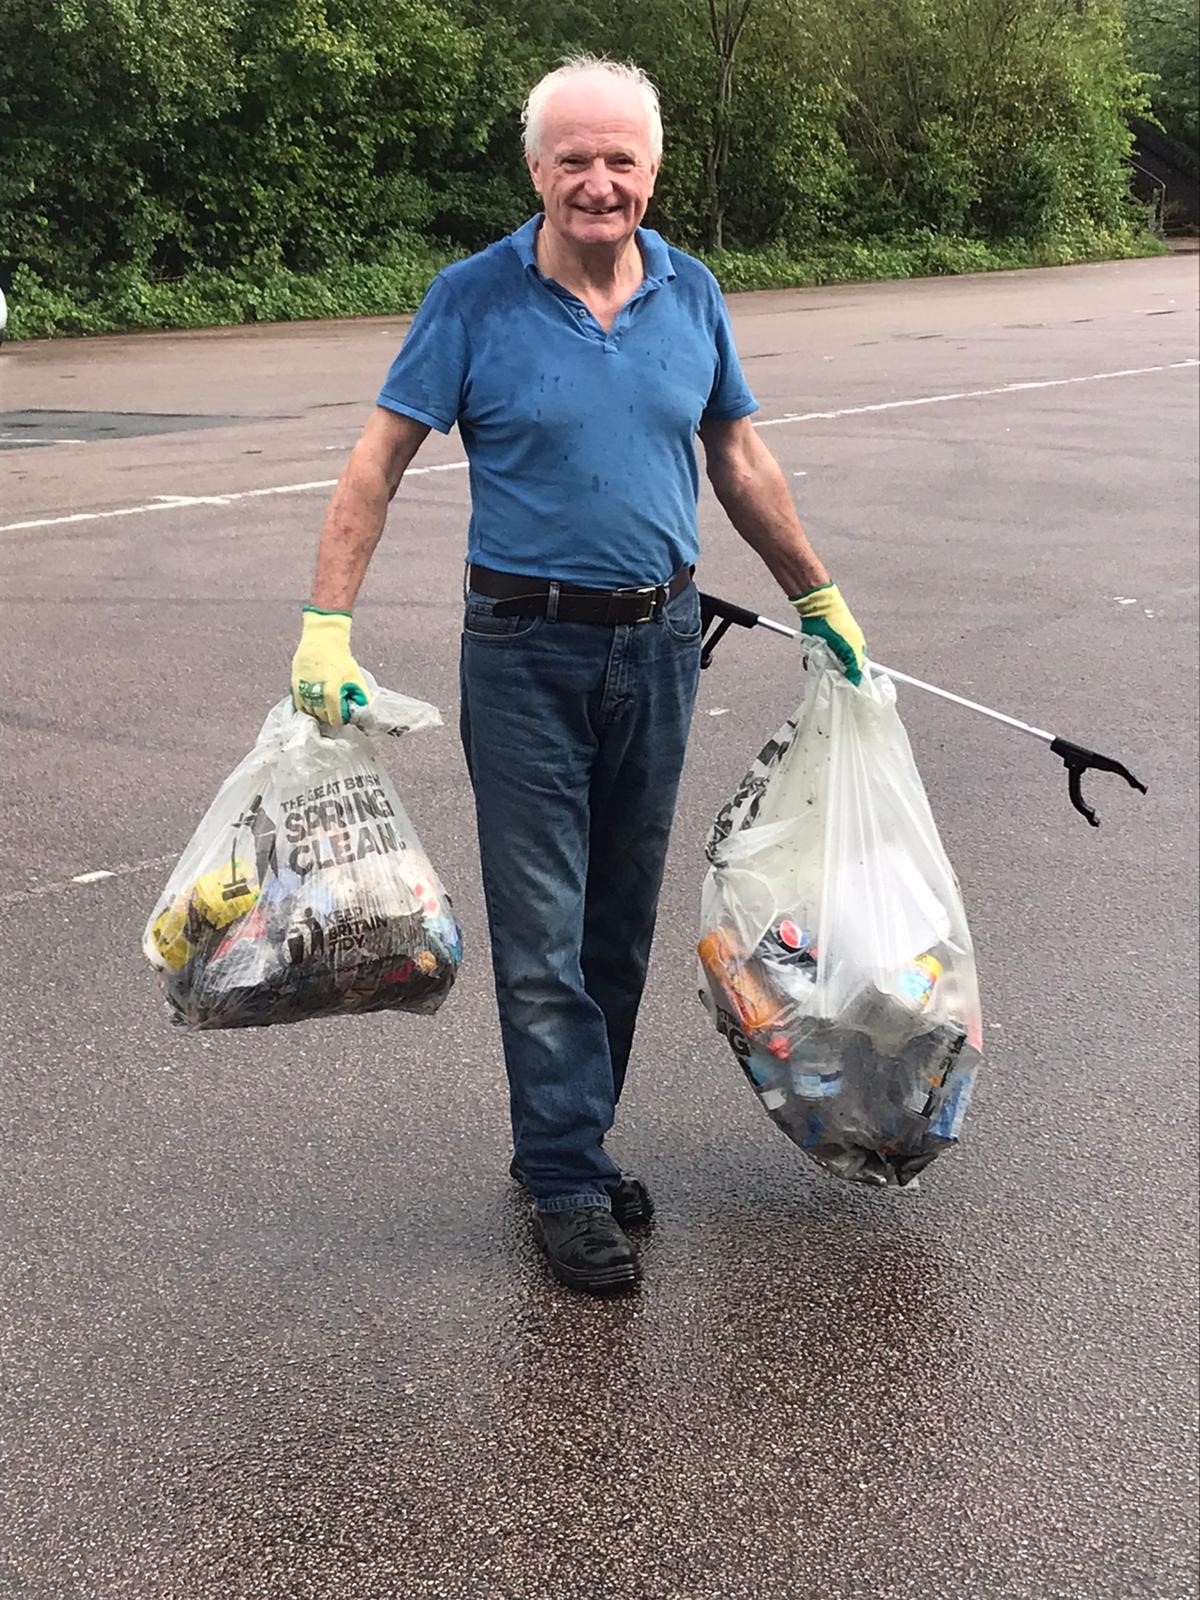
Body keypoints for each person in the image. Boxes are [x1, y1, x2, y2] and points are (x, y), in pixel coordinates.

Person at [290, 54, 866, 1295]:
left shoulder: (693, 292)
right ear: (536, 171)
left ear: (652, 171)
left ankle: (573, 1138)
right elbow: (375, 463)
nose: (597, 183)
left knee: (617, 920)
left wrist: (814, 592)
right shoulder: (472, 299)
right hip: (522, 651)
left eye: (621, 160)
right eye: (573, 160)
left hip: (658, 644)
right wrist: (324, 624)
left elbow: (741, 457)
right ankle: (562, 1170)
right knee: (545, 927)